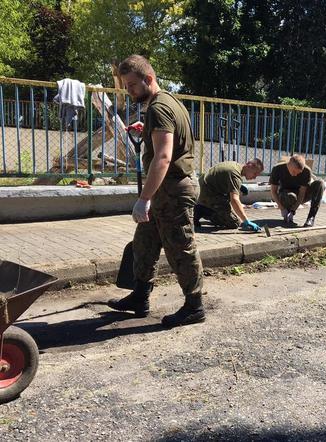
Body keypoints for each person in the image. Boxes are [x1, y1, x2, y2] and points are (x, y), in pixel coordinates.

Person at [107, 54, 205, 327]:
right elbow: (166, 138)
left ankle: (194, 306)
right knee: (145, 243)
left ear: (148, 79)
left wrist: (143, 199)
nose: (129, 91)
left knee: (181, 249)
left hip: (173, 190)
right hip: (166, 190)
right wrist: (148, 130)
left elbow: (163, 157)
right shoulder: (168, 103)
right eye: (126, 86)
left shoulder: (159, 109)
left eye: (132, 86)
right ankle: (140, 297)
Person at [195, 159, 264, 231]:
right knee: (234, 223)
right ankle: (203, 210)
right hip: (207, 194)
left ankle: (205, 207)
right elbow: (234, 200)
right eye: (255, 173)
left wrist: (239, 186)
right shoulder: (235, 175)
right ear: (250, 165)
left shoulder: (235, 166)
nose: (255, 177)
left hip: (202, 189)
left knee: (233, 193)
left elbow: (224, 178)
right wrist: (246, 221)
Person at [269, 155, 324, 227]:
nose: (295, 175)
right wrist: (282, 208)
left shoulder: (306, 171)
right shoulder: (277, 169)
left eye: (298, 173)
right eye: (294, 171)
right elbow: (273, 191)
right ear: (289, 164)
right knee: (290, 196)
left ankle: (311, 218)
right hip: (285, 195)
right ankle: (287, 214)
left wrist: (293, 210)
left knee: (320, 183)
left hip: (299, 195)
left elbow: (302, 194)